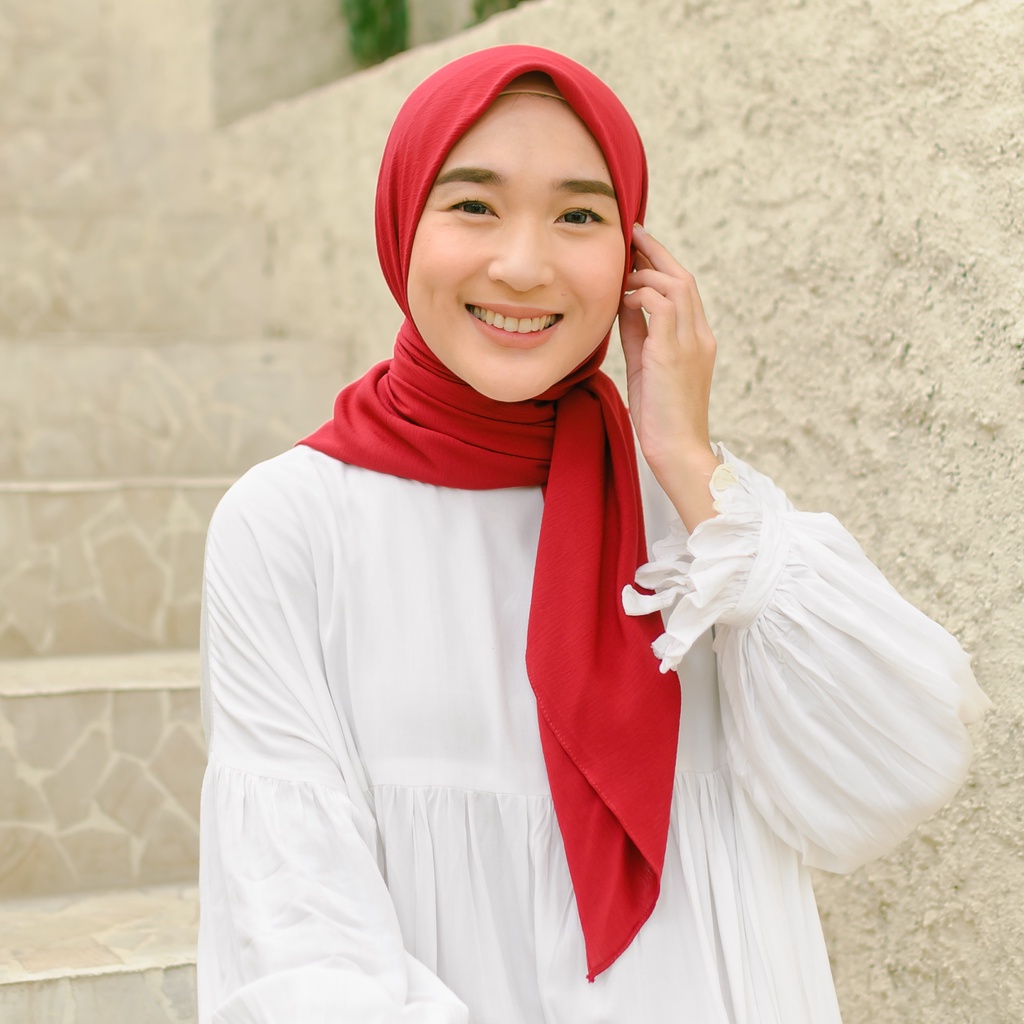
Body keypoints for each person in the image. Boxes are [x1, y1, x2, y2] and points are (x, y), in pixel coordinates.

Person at [197, 45, 989, 1024]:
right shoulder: (293, 524)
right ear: (401, 221)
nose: (523, 266)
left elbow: (892, 768)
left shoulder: (702, 525)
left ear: (634, 260)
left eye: (578, 215)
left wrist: (690, 461)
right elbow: (297, 920)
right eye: (473, 204)